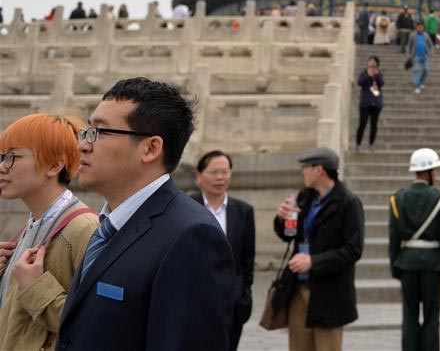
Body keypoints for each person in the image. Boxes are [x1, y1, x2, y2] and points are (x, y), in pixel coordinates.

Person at [58, 77, 235, 350]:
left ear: (151, 148)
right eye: (87, 130)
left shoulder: (191, 237)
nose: (83, 144)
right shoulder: (109, 226)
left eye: (100, 132)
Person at [0, 114, 99, 351]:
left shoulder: (85, 228)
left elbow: (95, 326)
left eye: (12, 157)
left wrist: (36, 288)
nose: (2, 167)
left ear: (55, 165)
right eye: (2, 157)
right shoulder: (31, 225)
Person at [274, 148, 364, 351]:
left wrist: (314, 261)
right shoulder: (305, 198)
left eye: (305, 167)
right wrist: (282, 220)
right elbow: (289, 236)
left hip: (329, 292)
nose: (302, 172)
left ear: (319, 170)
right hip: (299, 289)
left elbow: (353, 249)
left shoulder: (348, 203)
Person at [191, 150, 256, 351]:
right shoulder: (187, 207)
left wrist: (243, 294)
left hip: (232, 304)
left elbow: (248, 260)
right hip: (194, 302)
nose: (220, 177)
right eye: (214, 172)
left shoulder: (243, 211)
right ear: (199, 176)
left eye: (225, 172)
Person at [389, 148, 440, 351]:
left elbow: (393, 237)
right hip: (433, 264)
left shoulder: (397, 198)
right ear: (429, 172)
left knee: (409, 315)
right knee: (432, 316)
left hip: (406, 262)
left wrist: (395, 266)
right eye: (435, 170)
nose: (436, 174)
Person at [356, 56, 385, 151]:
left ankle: (371, 143)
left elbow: (382, 83)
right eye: (370, 62)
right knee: (362, 123)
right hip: (365, 103)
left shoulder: (379, 73)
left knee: (374, 124)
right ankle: (358, 143)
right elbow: (360, 82)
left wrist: (376, 75)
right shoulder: (364, 73)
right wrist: (368, 75)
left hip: (376, 103)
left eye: (373, 62)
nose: (371, 64)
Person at [406, 22, 434, 94]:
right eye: (419, 27)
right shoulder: (412, 35)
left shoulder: (426, 35)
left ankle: (421, 82)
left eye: (421, 27)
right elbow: (409, 45)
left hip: (425, 56)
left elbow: (431, 44)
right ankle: (416, 87)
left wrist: (431, 52)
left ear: (423, 28)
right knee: (416, 71)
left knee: (426, 70)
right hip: (416, 57)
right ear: (416, 28)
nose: (420, 28)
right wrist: (408, 54)